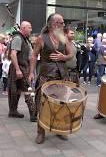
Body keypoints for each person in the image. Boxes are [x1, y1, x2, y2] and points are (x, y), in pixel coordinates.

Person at [28, 13, 73, 144]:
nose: (63, 25)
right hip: (46, 76)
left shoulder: (63, 37)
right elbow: (34, 56)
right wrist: (31, 73)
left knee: (61, 104)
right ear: (54, 24)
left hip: (62, 76)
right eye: (61, 23)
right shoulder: (41, 38)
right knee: (42, 104)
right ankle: (40, 132)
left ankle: (59, 129)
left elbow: (70, 54)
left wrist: (63, 57)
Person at [7, 21, 36, 122]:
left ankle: (13, 111)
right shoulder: (18, 38)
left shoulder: (25, 39)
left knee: (17, 90)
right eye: (29, 27)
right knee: (27, 89)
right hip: (18, 68)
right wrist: (18, 69)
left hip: (23, 67)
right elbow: (13, 54)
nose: (31, 30)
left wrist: (30, 71)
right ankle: (33, 114)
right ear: (23, 28)